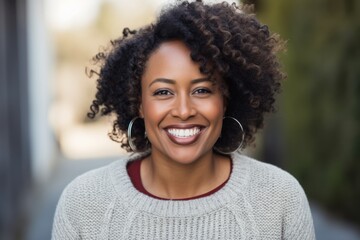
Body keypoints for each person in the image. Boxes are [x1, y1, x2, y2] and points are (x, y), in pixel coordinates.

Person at [52, 0, 315, 239]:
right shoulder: (83, 204)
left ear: (225, 100)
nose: (183, 110)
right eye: (163, 92)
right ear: (139, 104)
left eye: (202, 90)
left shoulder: (280, 198)